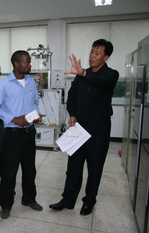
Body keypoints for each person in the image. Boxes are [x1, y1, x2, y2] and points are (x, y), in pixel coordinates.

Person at [49, 39, 119, 215]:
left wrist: (83, 73)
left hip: (99, 129)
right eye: (91, 51)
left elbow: (101, 83)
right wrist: (72, 114)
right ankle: (68, 199)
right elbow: (71, 97)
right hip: (79, 128)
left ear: (106, 57)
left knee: (95, 168)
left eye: (97, 53)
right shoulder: (81, 77)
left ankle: (89, 201)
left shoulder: (111, 74)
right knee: (73, 166)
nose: (92, 55)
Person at [0, 50, 45, 219]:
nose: (29, 65)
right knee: (9, 171)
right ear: (16, 64)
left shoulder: (30, 83)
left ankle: (29, 199)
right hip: (12, 134)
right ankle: (6, 204)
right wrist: (13, 119)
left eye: (29, 62)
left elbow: (35, 102)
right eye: (26, 62)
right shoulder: (4, 84)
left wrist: (34, 115)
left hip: (29, 133)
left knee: (30, 170)